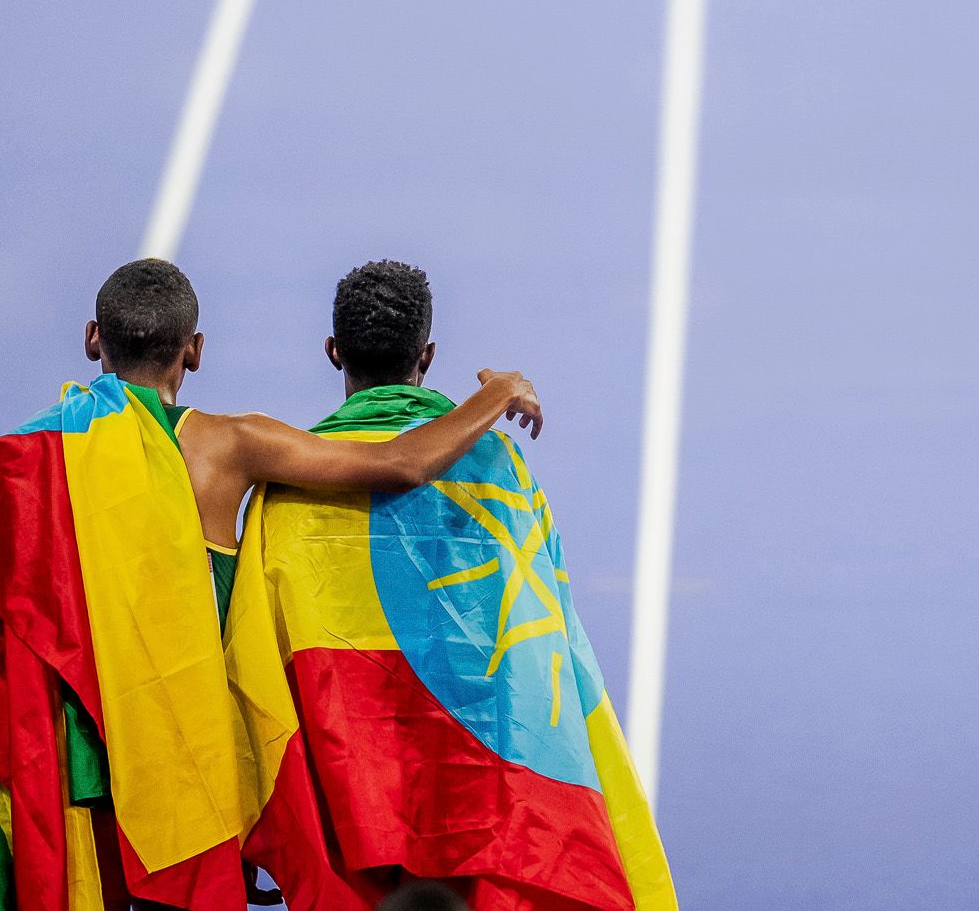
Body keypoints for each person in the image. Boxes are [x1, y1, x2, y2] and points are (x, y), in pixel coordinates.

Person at [0, 257, 541, 911]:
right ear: (194, 350)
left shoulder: (16, 460)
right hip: (185, 772)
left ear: (94, 338)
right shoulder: (229, 446)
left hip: (69, 769)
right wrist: (496, 394)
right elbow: (401, 463)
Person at [231, 261, 676, 911]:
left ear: (334, 351)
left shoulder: (288, 486)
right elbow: (547, 633)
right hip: (483, 788)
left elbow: (252, 655)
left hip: (350, 792)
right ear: (428, 355)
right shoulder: (500, 468)